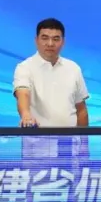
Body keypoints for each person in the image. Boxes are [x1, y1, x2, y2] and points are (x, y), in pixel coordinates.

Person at [14, 18, 89, 159]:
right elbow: (22, 93)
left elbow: (81, 110)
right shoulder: (24, 67)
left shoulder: (73, 68)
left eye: (56, 39)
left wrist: (84, 145)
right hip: (36, 151)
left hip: (69, 149)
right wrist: (25, 115)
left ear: (63, 42)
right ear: (36, 40)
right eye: (45, 38)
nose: (50, 44)